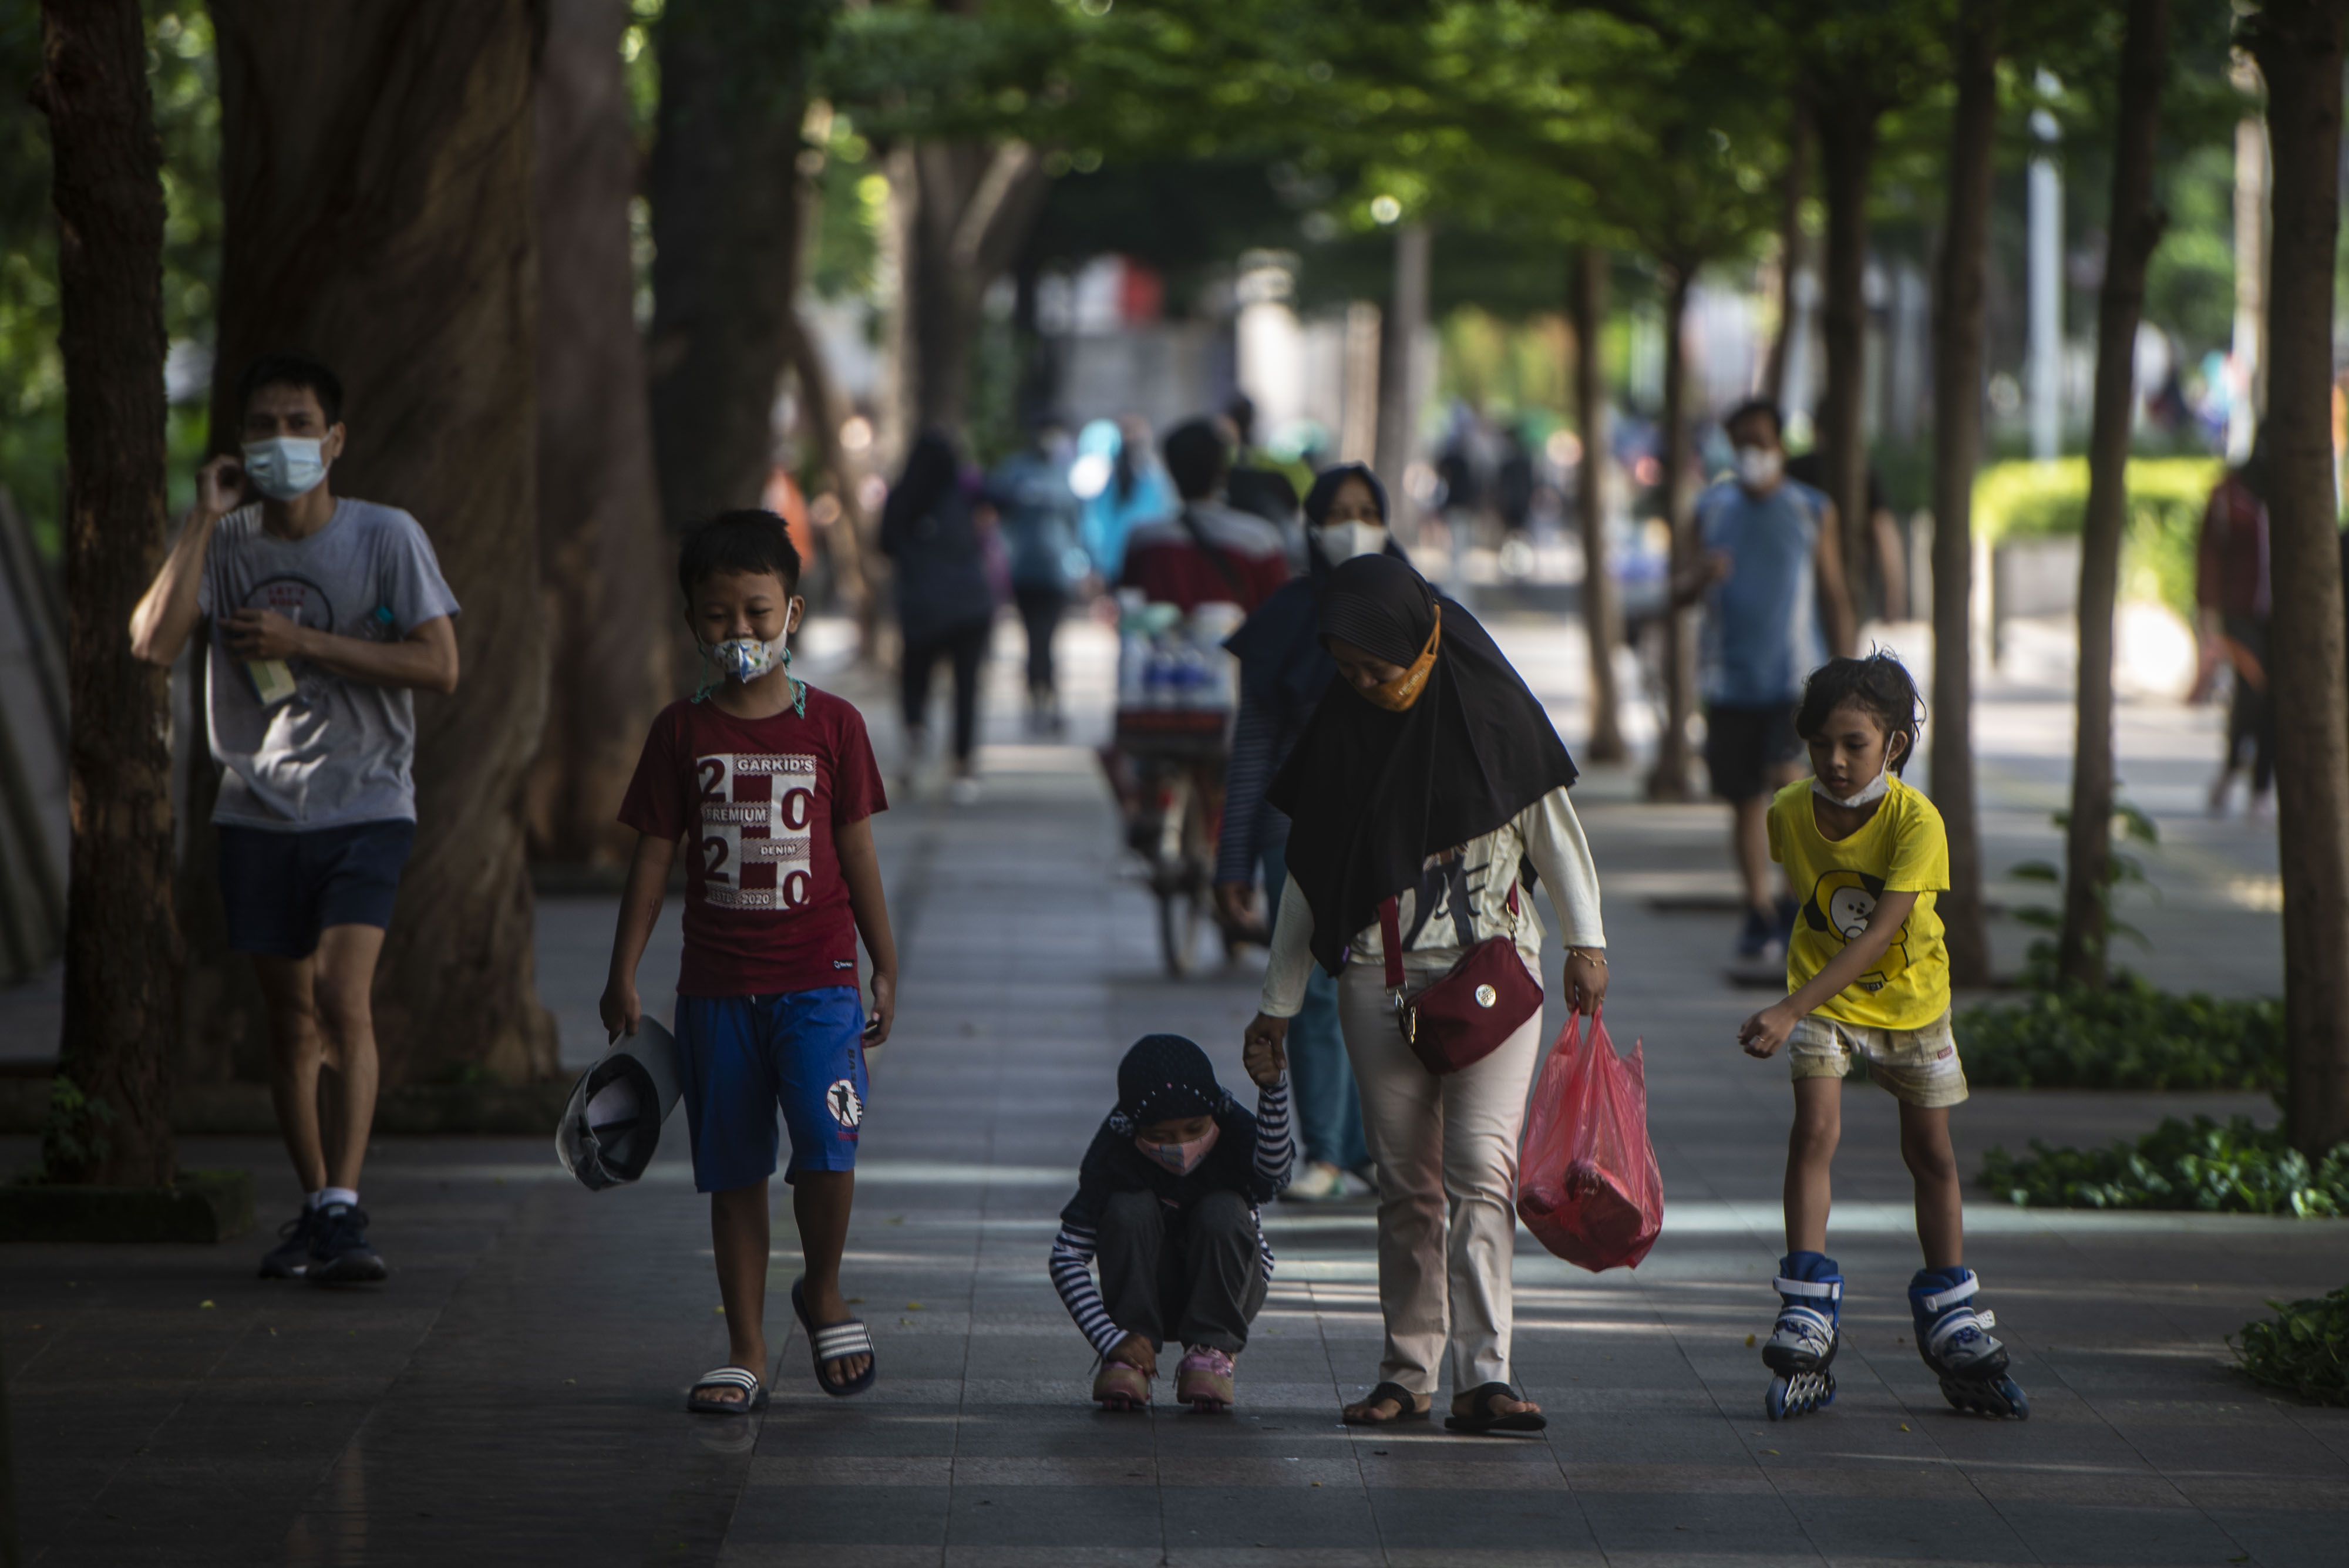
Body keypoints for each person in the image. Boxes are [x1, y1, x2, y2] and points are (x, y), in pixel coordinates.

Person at [1242, 554, 1608, 1436]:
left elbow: (1555, 832)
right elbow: (1307, 882)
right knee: (1406, 1186)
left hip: (1494, 980)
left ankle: (1486, 1376)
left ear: (1426, 640)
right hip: (1379, 980)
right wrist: (1277, 1003)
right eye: (1348, 672)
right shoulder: (1340, 739)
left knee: (1481, 1170)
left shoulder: (1496, 719)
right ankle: (1406, 1372)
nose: (1366, 686)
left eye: (1379, 668)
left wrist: (1586, 940)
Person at [129, 352, 461, 1286]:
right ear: (240, 443)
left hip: (367, 800)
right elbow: (151, 642)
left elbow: (440, 666)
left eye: (300, 424)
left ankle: (346, 1200)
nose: (282, 440)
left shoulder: (386, 536)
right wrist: (200, 518)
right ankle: (317, 1205)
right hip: (258, 807)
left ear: (335, 439)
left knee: (341, 995)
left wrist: (301, 640)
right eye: (263, 425)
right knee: (289, 1021)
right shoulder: (226, 542)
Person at [601, 510, 899, 1413]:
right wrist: (623, 970)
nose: (740, 631)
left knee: (828, 1145)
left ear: (793, 612)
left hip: (821, 986)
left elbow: (857, 851)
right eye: (719, 615)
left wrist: (884, 961)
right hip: (717, 993)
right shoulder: (679, 732)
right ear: (692, 623)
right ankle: (745, 1349)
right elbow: (653, 858)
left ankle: (824, 1288)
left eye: (758, 613)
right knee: (733, 1173)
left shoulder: (836, 725)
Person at [1735, 654, 2027, 1422]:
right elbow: (1812, 906)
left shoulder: (1917, 823)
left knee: (1931, 1154)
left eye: (1854, 744)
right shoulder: (1788, 810)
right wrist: (1804, 1005)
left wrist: (1788, 1008)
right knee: (1814, 1132)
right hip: (1824, 1000)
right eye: (1820, 744)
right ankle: (1806, 1306)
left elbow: (1877, 934)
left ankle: (1951, 1312)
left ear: (1893, 745)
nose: (1834, 760)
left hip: (1911, 1002)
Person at [1214, 464, 1396, 1201]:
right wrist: (1230, 860)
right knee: (1312, 994)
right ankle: (1326, 1152)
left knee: (1386, 992)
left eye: (1367, 511)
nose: (1353, 527)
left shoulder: (1420, 612)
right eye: (1338, 513)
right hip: (1293, 836)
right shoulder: (1285, 621)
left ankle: (1373, 1148)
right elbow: (1253, 750)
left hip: (1389, 835)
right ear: (1312, 527)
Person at [1681, 398, 1855, 963]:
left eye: (1760, 441)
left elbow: (1833, 592)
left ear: (1780, 444)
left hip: (1794, 681)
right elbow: (1677, 591)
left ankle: (1791, 902)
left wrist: (1848, 677)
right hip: (1730, 680)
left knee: (1790, 788)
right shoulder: (1710, 509)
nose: (1751, 452)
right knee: (1743, 801)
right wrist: (1698, 576)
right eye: (1741, 443)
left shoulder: (1811, 508)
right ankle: (1758, 911)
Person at [1048, 1034, 1293, 1412]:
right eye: (1159, 1137)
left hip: (1228, 1289)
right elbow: (1066, 1256)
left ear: (1214, 1114)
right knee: (1127, 1208)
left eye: (1195, 1130)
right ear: (1135, 1129)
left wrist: (1274, 1091)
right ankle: (1131, 1356)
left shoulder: (1233, 1136)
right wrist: (1110, 1338)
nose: (1180, 1146)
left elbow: (1275, 1171)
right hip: (1147, 1292)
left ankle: (1212, 1351)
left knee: (1224, 1210)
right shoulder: (1114, 1155)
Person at [881, 431, 996, 805]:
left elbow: (884, 545)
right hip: (970, 606)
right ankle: (962, 765)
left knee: (915, 681)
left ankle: (916, 731)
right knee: (966, 689)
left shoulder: (902, 497)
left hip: (921, 607)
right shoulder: (964, 494)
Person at [1118, 419, 1291, 614]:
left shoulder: (1143, 539)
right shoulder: (1261, 540)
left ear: (1170, 469)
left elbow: (1130, 605)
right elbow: (1279, 614)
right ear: (1222, 469)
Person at [988, 420, 1083, 736]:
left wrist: (1084, 564)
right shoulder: (1014, 471)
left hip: (1056, 575)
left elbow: (1076, 523)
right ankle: (1036, 703)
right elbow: (999, 516)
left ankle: (1050, 702)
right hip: (1025, 573)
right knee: (1034, 640)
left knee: (1049, 641)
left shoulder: (1064, 473)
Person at [2196, 435, 2273, 817]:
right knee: (2252, 690)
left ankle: (2260, 784)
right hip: (2240, 611)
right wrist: (2208, 616)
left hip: (2283, 616)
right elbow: (2210, 553)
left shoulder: (2297, 491)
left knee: (2276, 699)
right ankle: (2232, 767)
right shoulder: (2229, 494)